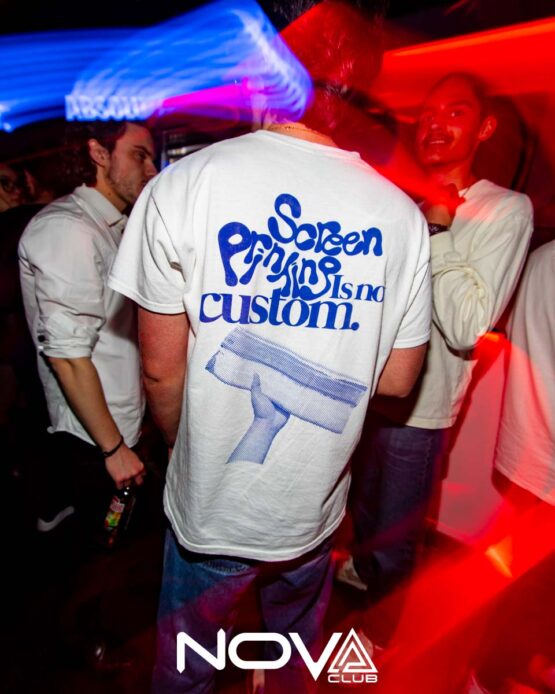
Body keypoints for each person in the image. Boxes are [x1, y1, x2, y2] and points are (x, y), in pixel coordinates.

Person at [108, 2, 431, 691]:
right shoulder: (399, 215)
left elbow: (162, 374)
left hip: (214, 507)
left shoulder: (183, 186)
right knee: (288, 657)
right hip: (312, 509)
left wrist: (185, 442)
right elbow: (399, 380)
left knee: (188, 665)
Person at [341, 73, 534, 651]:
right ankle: (364, 577)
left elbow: (467, 323)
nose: (433, 124)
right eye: (426, 113)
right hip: (365, 392)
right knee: (362, 511)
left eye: (454, 112)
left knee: (396, 534)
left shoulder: (505, 209)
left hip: (421, 411)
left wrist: (438, 232)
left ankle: (381, 638)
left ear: (484, 128)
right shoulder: (397, 197)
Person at [18, 120, 157, 667]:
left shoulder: (113, 226)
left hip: (119, 424)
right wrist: (112, 448)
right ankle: (74, 644)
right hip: (91, 439)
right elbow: (68, 355)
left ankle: (90, 622)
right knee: (91, 546)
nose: (151, 169)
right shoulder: (67, 230)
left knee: (111, 540)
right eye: (140, 155)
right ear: (98, 153)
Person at [465, 240, 555, 694]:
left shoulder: (541, 258)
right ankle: (488, 677)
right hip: (546, 467)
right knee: (532, 597)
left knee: (530, 588)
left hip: (527, 455)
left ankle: (511, 669)